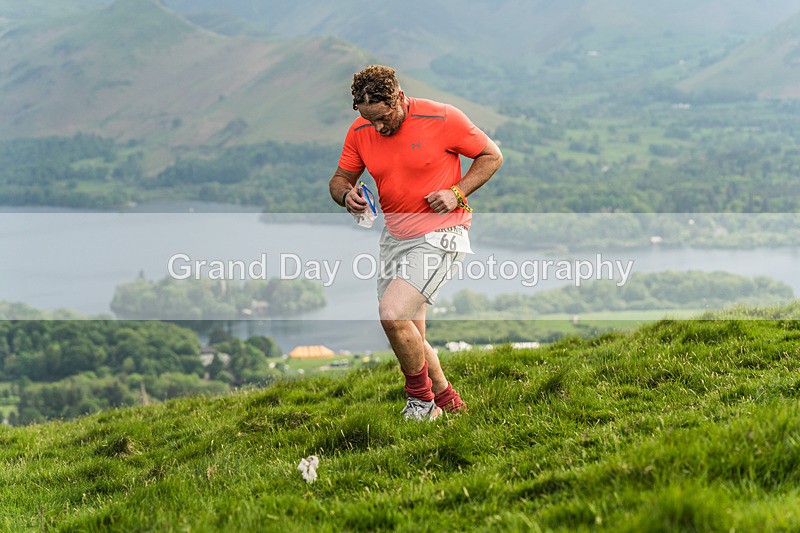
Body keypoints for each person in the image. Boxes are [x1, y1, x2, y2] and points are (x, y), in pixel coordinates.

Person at [328, 65, 503, 421]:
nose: (376, 127)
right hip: (394, 237)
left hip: (442, 233)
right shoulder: (361, 129)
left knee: (392, 315)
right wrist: (347, 196)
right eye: (367, 118)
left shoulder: (442, 117)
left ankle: (420, 403)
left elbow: (491, 156)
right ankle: (448, 402)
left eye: (382, 117)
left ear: (399, 98)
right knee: (410, 333)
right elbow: (340, 178)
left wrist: (457, 192)